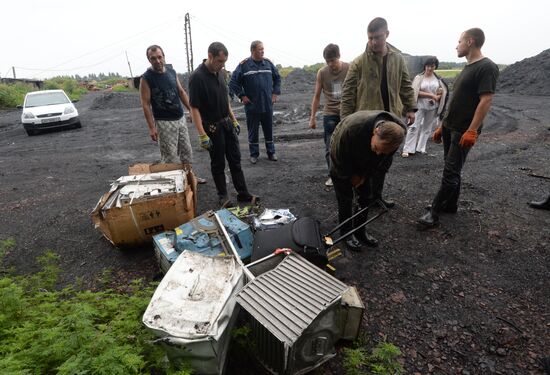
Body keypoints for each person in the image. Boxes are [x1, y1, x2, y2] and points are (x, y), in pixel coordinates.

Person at [418, 28, 499, 227]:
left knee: (451, 171)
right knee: (452, 168)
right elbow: (456, 101)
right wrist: (442, 125)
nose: (457, 45)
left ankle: (434, 212)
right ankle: (450, 204)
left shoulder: (487, 67)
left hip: (464, 130)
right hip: (450, 126)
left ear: (470, 41)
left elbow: (486, 100)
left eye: (460, 41)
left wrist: (472, 130)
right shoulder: (468, 66)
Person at [340, 17, 417, 208]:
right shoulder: (358, 63)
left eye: (378, 37)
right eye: (370, 38)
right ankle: (363, 199)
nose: (374, 42)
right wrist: (345, 122)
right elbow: (347, 94)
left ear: (387, 35)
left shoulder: (398, 59)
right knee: (366, 163)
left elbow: (406, 84)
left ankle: (376, 197)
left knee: (384, 163)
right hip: (368, 124)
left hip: (392, 119)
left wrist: (411, 107)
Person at [188, 42, 258, 208]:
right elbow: (194, 108)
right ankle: (223, 196)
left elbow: (225, 99)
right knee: (218, 163)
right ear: (210, 56)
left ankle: (243, 193)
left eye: (224, 62)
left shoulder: (220, 73)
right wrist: (202, 134)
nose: (222, 65)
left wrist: (233, 119)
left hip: (226, 124)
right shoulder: (197, 78)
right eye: (219, 61)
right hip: (212, 128)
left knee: (235, 161)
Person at [330, 110, 406, 250]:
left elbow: (382, 159)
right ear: (376, 131)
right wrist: (349, 176)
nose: (378, 153)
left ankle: (360, 231)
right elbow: (338, 158)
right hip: (343, 155)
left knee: (366, 196)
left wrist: (364, 176)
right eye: (377, 148)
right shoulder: (351, 129)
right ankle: (346, 233)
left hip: (365, 157)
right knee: (345, 197)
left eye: (383, 151)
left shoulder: (398, 133)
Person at [139, 45, 206, 183]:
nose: (157, 61)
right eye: (153, 58)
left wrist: (192, 111)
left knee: (186, 151)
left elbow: (181, 92)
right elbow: (145, 104)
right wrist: (152, 127)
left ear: (164, 56)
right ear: (148, 60)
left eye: (159, 57)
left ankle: (189, 177)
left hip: (180, 118)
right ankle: (174, 183)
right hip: (164, 122)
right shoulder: (146, 78)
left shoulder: (171, 72)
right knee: (170, 156)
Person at [229, 40, 282, 164]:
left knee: (269, 129)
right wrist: (242, 96)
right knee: (253, 131)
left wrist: (275, 93)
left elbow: (277, 78)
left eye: (263, 49)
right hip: (252, 106)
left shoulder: (268, 64)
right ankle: (254, 154)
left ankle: (271, 152)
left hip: (267, 104)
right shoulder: (244, 65)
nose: (263, 51)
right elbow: (233, 82)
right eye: (260, 49)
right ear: (253, 50)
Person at [309, 43, 350, 187]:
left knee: (348, 146)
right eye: (328, 61)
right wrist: (312, 117)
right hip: (330, 114)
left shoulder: (349, 68)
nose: (330, 64)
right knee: (329, 147)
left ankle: (348, 174)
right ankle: (333, 175)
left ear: (339, 56)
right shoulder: (322, 72)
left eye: (333, 60)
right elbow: (316, 96)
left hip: (347, 113)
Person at [402, 56, 448, 157]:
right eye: (428, 66)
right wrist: (430, 95)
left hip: (432, 107)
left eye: (432, 66)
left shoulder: (438, 79)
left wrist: (436, 97)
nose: (430, 68)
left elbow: (441, 92)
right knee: (413, 126)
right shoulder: (419, 78)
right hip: (419, 106)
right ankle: (408, 149)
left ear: (435, 66)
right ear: (425, 66)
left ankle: (421, 148)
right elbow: (415, 92)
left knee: (427, 128)